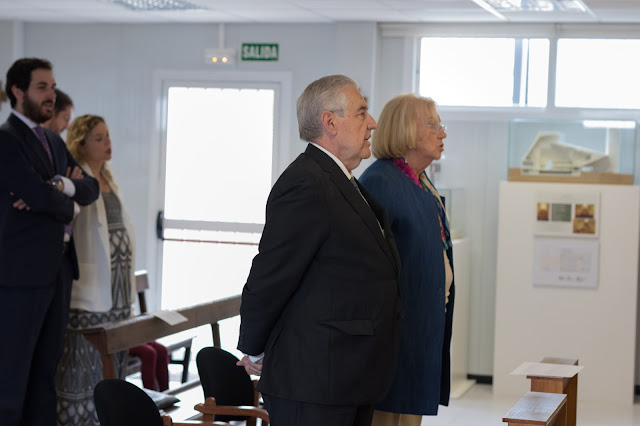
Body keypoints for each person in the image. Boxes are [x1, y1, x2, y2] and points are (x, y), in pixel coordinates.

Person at [236, 75, 402, 426]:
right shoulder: (306, 181)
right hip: (315, 380)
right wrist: (254, 347)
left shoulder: (339, 180)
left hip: (346, 374)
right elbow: (272, 273)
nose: (372, 123)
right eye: (361, 113)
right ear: (330, 122)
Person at [0, 58, 99, 426]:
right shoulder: (6, 139)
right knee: (12, 376)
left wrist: (59, 185)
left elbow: (89, 188)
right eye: (42, 87)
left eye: (53, 87)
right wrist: (65, 202)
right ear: (18, 91)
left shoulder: (54, 141)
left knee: (46, 373)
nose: (51, 95)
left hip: (58, 269)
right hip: (20, 275)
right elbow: (37, 196)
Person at [359, 94, 455, 426]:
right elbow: (367, 270)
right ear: (405, 130)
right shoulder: (380, 182)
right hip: (394, 340)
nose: (442, 133)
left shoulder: (420, 181)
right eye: (433, 125)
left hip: (419, 331)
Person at [55, 114, 137, 425]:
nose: (107, 143)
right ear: (81, 144)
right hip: (90, 289)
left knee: (113, 364)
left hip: (118, 290)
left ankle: (108, 418)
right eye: (99, 138)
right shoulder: (79, 180)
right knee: (84, 364)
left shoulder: (109, 179)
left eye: (108, 136)